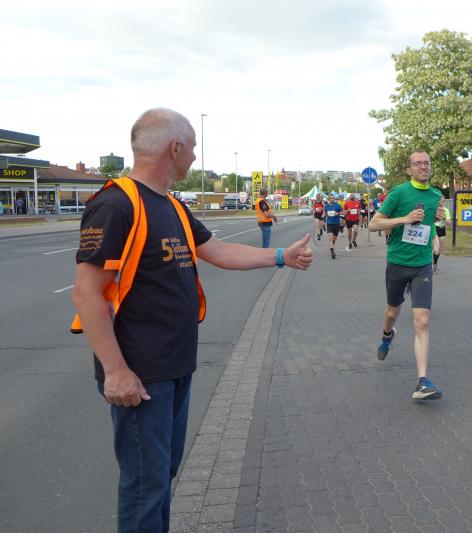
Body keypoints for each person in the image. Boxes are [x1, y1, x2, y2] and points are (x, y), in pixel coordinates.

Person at [71, 108, 313, 533]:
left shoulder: (171, 205)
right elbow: (86, 293)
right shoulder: (116, 204)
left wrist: (281, 256)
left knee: (160, 477)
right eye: (194, 148)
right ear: (175, 147)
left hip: (175, 365)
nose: (196, 157)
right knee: (145, 486)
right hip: (141, 372)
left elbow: (219, 251)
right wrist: (116, 372)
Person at [368, 150, 445, 400]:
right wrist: (404, 219)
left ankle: (422, 382)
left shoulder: (436, 195)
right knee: (392, 311)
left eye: (427, 163)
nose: (424, 166)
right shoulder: (399, 193)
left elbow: (429, 224)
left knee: (422, 321)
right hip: (398, 262)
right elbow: (373, 224)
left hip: (422, 265)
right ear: (409, 170)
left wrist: (436, 235)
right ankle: (387, 335)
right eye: (418, 163)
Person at [432, 201, 451, 272]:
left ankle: (435, 263)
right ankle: (428, 264)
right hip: (434, 227)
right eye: (440, 201)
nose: (441, 202)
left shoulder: (446, 210)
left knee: (439, 248)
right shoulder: (433, 208)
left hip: (441, 229)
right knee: (435, 247)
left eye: (442, 201)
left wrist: (443, 218)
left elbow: (449, 223)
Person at [324, 192, 343, 259]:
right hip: (329, 224)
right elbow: (325, 213)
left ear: (334, 199)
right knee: (330, 238)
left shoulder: (337, 205)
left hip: (336, 223)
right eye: (330, 198)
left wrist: (338, 213)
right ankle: (332, 252)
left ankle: (332, 243)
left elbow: (343, 212)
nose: (331, 199)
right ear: (328, 199)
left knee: (335, 238)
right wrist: (324, 215)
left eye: (332, 198)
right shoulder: (326, 206)